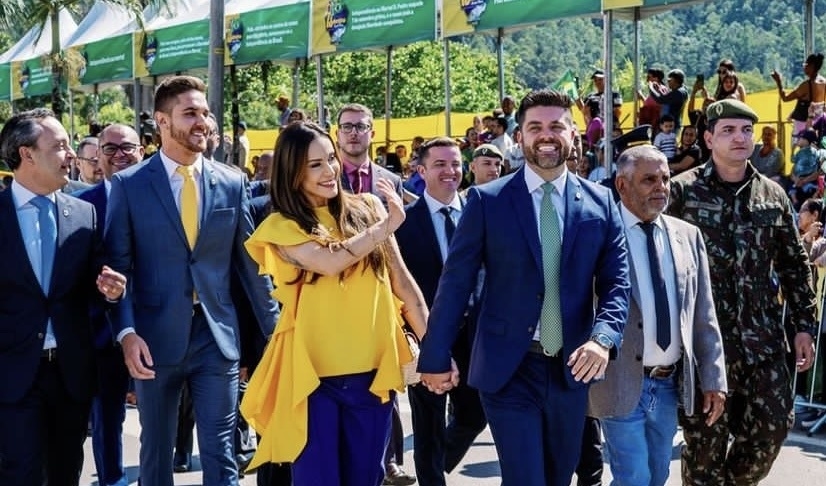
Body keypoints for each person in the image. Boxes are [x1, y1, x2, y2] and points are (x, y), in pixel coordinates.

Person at [417, 89, 630, 486]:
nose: (545, 135)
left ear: (573, 134)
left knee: (557, 476)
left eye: (555, 126)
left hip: (572, 369)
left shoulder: (602, 203)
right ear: (520, 137)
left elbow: (617, 283)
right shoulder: (487, 201)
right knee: (525, 478)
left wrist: (602, 339)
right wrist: (434, 354)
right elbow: (456, 283)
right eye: (535, 127)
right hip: (508, 367)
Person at [105, 75, 280, 486]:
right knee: (156, 453)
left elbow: (250, 267)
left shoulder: (231, 182)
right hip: (154, 340)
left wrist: (276, 333)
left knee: (222, 453)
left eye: (204, 113)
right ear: (162, 123)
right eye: (190, 114)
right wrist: (127, 333)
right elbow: (119, 269)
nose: (202, 121)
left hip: (217, 339)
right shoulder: (129, 187)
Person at [239, 121, 430, 486]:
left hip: (373, 378)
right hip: (311, 382)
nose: (329, 171)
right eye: (314, 164)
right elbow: (328, 262)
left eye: (330, 158)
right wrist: (385, 227)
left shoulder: (370, 208)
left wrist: (434, 349)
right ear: (291, 172)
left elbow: (403, 283)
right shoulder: (281, 225)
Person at [667, 99, 817, 485]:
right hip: (704, 348)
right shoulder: (682, 193)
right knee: (704, 451)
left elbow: (794, 266)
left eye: (746, 130)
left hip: (762, 343)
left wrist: (803, 326)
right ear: (708, 138)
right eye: (729, 131)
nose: (740, 138)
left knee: (771, 431)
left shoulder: (773, 195)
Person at [0, 108, 126, 485]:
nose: (71, 154)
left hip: (70, 375)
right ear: (26, 154)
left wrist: (112, 290)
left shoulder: (83, 214)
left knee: (65, 473)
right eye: (59, 146)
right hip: (12, 375)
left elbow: (98, 284)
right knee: (19, 474)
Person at [589, 144, 727, 486]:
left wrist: (714, 378)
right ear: (622, 186)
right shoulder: (599, 234)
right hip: (618, 381)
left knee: (658, 475)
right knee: (634, 476)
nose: (661, 187)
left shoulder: (687, 235)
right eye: (649, 179)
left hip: (667, 384)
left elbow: (703, 314)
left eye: (665, 178)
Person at [395, 137, 487, 486]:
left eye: (455, 164)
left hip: (476, 335)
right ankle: (432, 479)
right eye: (439, 165)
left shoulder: (483, 213)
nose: (450, 171)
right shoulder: (405, 224)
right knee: (428, 422)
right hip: (426, 334)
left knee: (474, 414)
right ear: (421, 171)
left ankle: (437, 465)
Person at [75, 124, 144, 486]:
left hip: (154, 327)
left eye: (127, 147)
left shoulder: (158, 197)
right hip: (100, 333)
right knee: (107, 418)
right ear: (97, 155)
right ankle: (111, 480)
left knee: (159, 418)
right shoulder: (82, 206)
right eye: (109, 148)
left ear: (142, 151)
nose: (119, 154)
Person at [336, 103, 403, 200]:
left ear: (372, 135)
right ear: (337, 135)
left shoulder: (392, 181)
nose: (353, 132)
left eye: (361, 127)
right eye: (347, 126)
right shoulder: (325, 178)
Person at [771, 53, 826, 134]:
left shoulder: (806, 85)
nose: (804, 67)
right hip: (819, 123)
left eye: (806, 65)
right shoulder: (824, 82)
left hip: (804, 123)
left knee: (803, 145)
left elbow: (785, 98)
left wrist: (779, 82)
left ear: (812, 66)